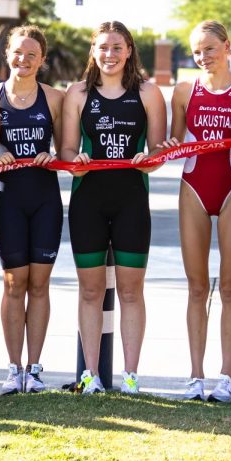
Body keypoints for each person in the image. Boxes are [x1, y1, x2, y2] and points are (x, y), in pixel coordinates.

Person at [59, 21, 166, 395]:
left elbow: (157, 155)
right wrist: (77, 162)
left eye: (117, 47)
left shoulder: (149, 94)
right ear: (93, 51)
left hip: (131, 200)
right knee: (89, 292)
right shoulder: (77, 94)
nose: (110, 54)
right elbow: (67, 152)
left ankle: (131, 376)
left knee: (131, 292)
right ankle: (91, 375)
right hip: (88, 200)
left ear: (129, 51)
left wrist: (148, 160)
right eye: (103, 47)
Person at [161, 21, 231, 403]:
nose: (203, 56)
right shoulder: (185, 91)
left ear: (226, 47)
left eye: (209, 48)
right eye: (197, 50)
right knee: (197, 286)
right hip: (193, 187)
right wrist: (165, 145)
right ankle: (195, 375)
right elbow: (175, 139)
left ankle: (227, 375)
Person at [0, 25, 63, 395]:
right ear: (7, 54)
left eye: (31, 55)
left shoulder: (53, 98)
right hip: (8, 199)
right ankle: (12, 367)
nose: (23, 59)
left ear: (42, 60)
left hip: (45, 199)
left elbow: (68, 151)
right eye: (18, 52)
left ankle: (34, 369)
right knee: (13, 283)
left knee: (39, 284)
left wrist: (53, 155)